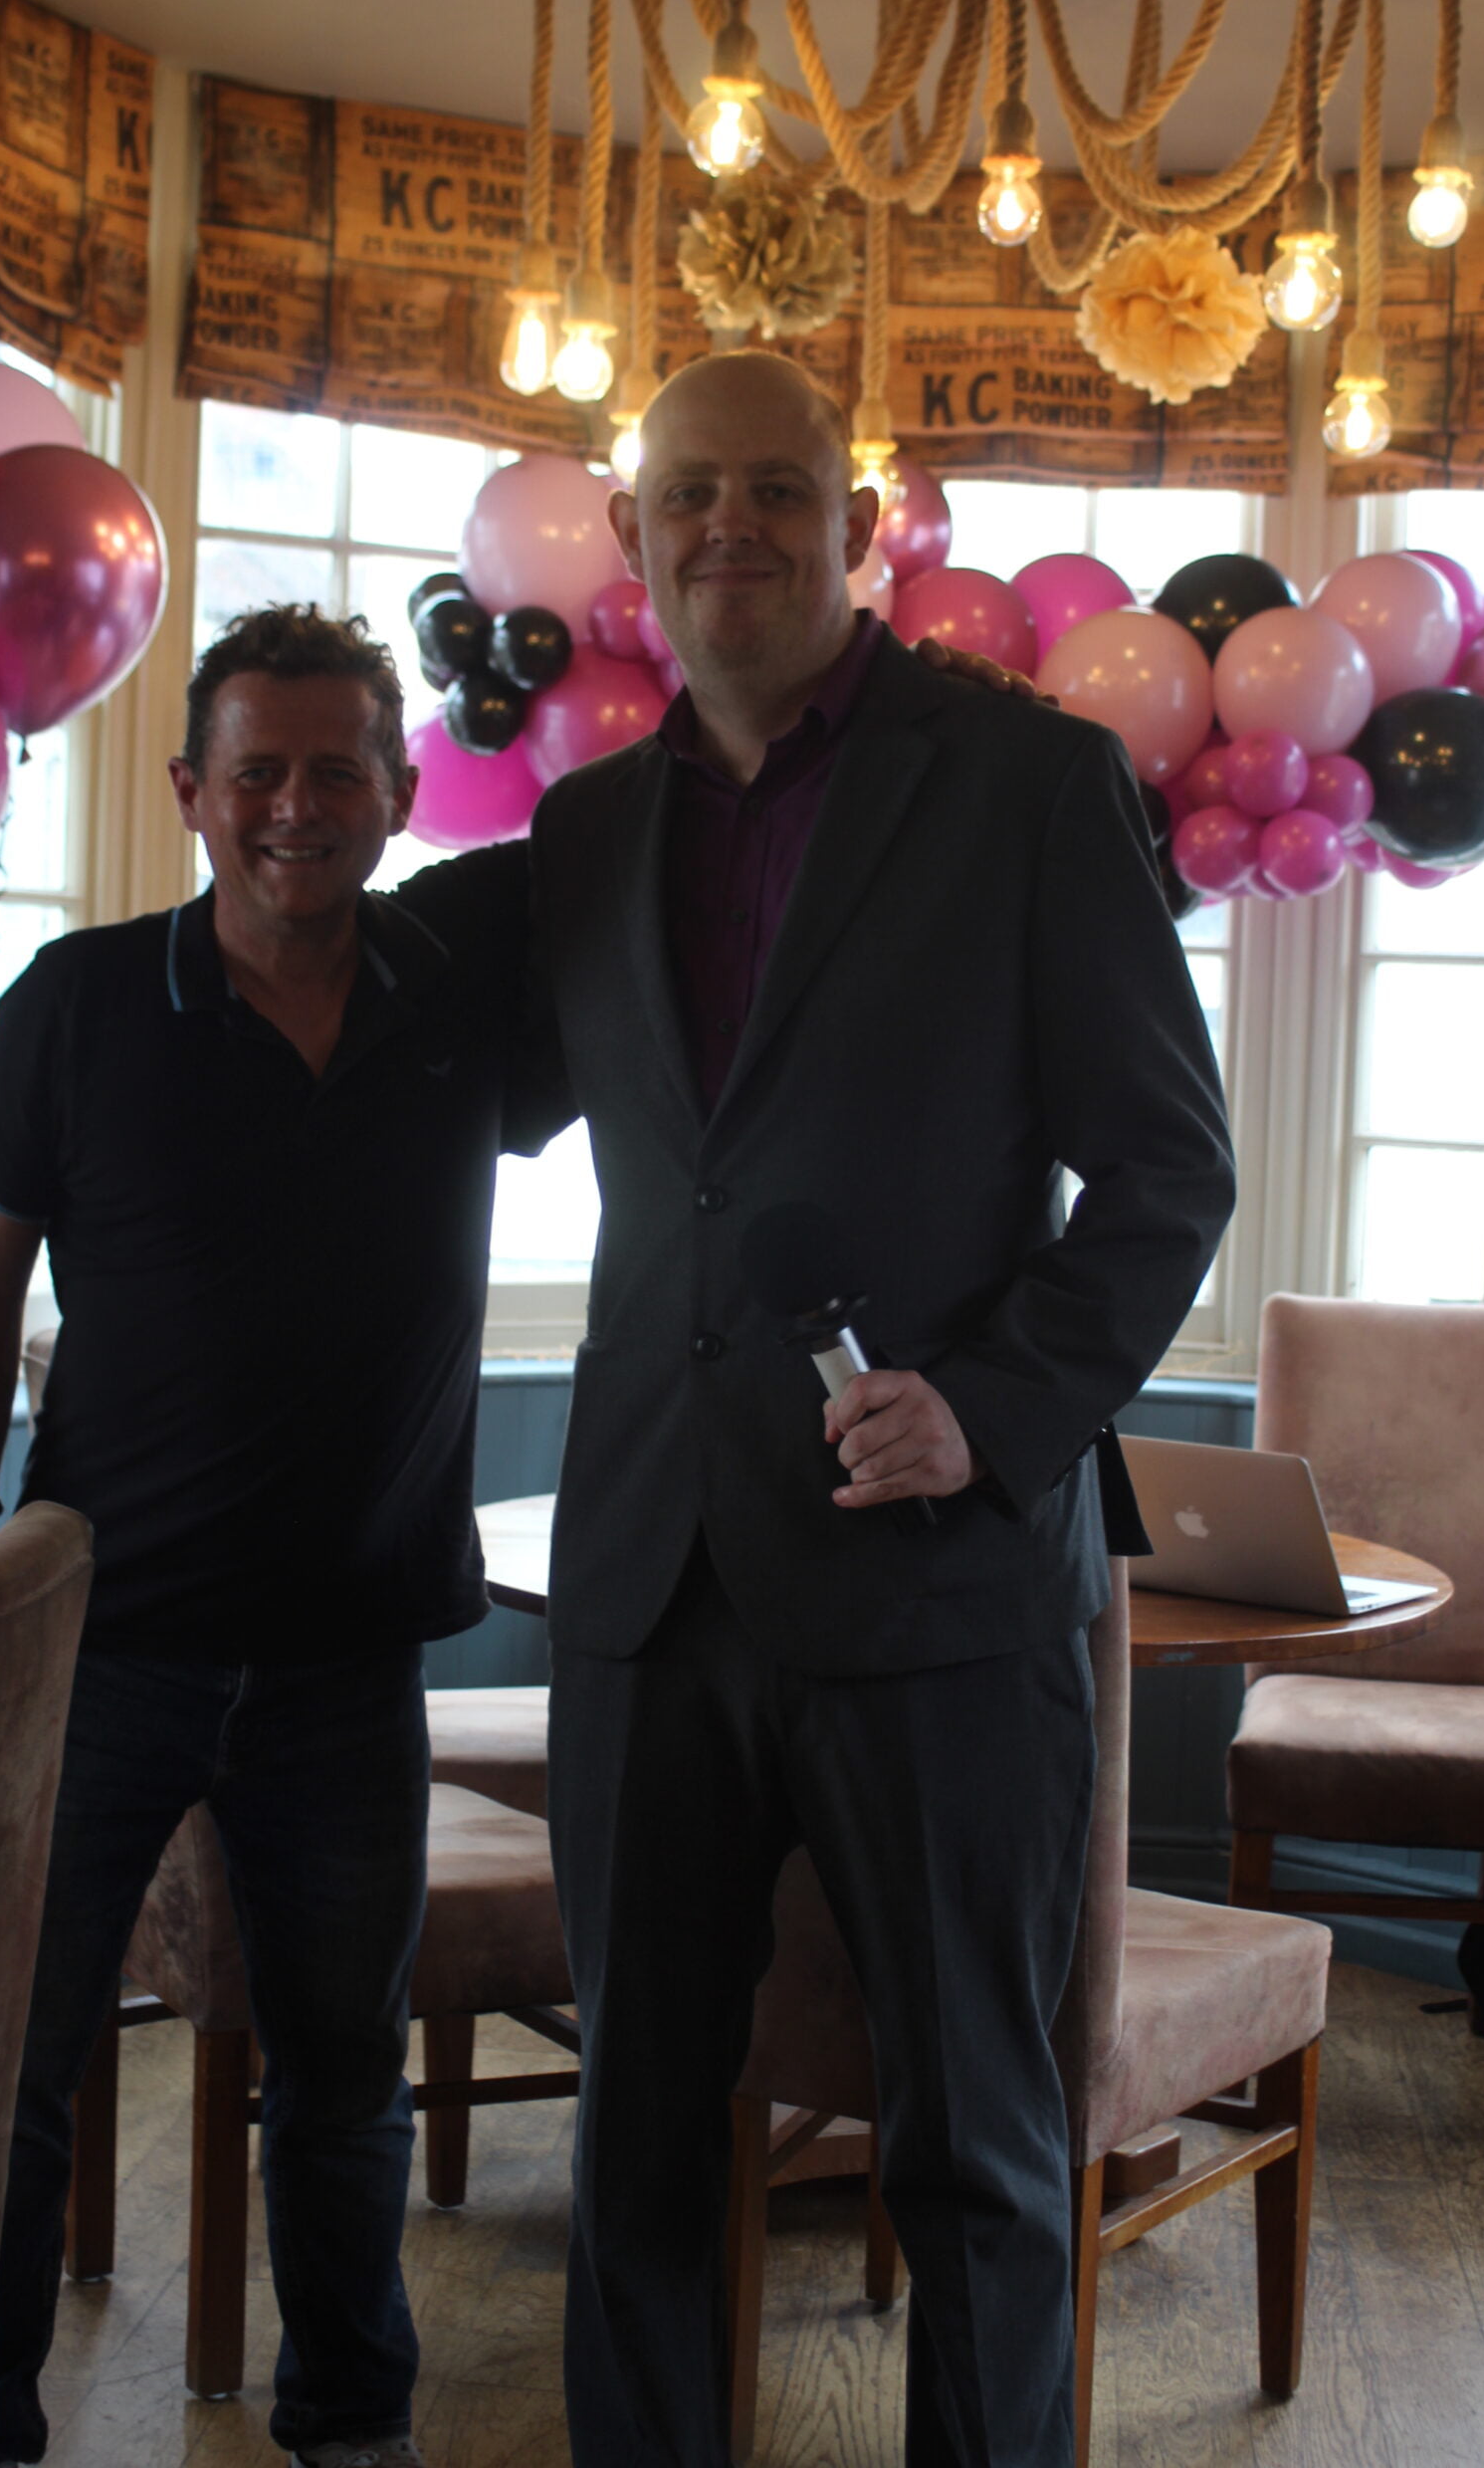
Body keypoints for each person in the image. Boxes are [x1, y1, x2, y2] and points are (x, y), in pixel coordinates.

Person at [526, 351, 1236, 2468]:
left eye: (775, 490)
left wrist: (992, 1409)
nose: (727, 527)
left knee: (979, 2156)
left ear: (855, 526)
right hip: (647, 1585)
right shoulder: (581, 831)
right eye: (688, 493)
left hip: (934, 1586)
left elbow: (1170, 1167)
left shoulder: (1029, 786)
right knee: (633, 2149)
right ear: (636, 535)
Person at [0, 604, 544, 2468]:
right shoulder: (82, 1000)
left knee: (344, 2085)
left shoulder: (462, 1004)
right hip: (97, 1646)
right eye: (257, 771)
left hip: (348, 1665)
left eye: (338, 770)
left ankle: (351, 2427)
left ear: (400, 793)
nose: (296, 806)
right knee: (16, 2073)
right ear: (192, 791)